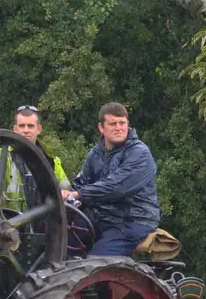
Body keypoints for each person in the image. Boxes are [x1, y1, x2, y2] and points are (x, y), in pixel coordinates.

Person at [63, 102, 159, 257]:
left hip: (133, 220)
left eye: (122, 123)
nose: (119, 128)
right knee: (59, 245)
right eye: (113, 124)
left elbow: (116, 187)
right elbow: (79, 185)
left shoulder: (139, 153)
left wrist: (77, 195)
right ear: (101, 127)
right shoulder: (95, 154)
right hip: (102, 219)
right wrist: (64, 198)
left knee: (95, 263)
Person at [0, 105, 69, 208]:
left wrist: (66, 193)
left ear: (38, 129)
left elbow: (65, 189)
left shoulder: (51, 160)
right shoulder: (3, 157)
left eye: (30, 126)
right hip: (12, 221)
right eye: (22, 126)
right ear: (15, 129)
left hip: (45, 222)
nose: (26, 130)